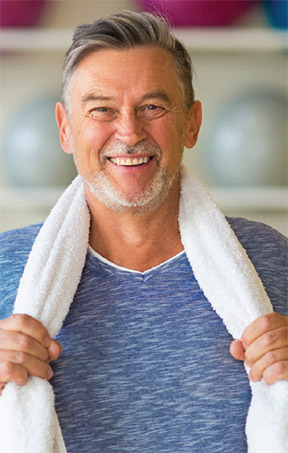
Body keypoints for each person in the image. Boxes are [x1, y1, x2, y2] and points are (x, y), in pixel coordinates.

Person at [0, 10, 287, 452]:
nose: (129, 132)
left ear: (191, 123)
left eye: (152, 107)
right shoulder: (5, 268)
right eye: (102, 110)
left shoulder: (272, 260)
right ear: (64, 129)